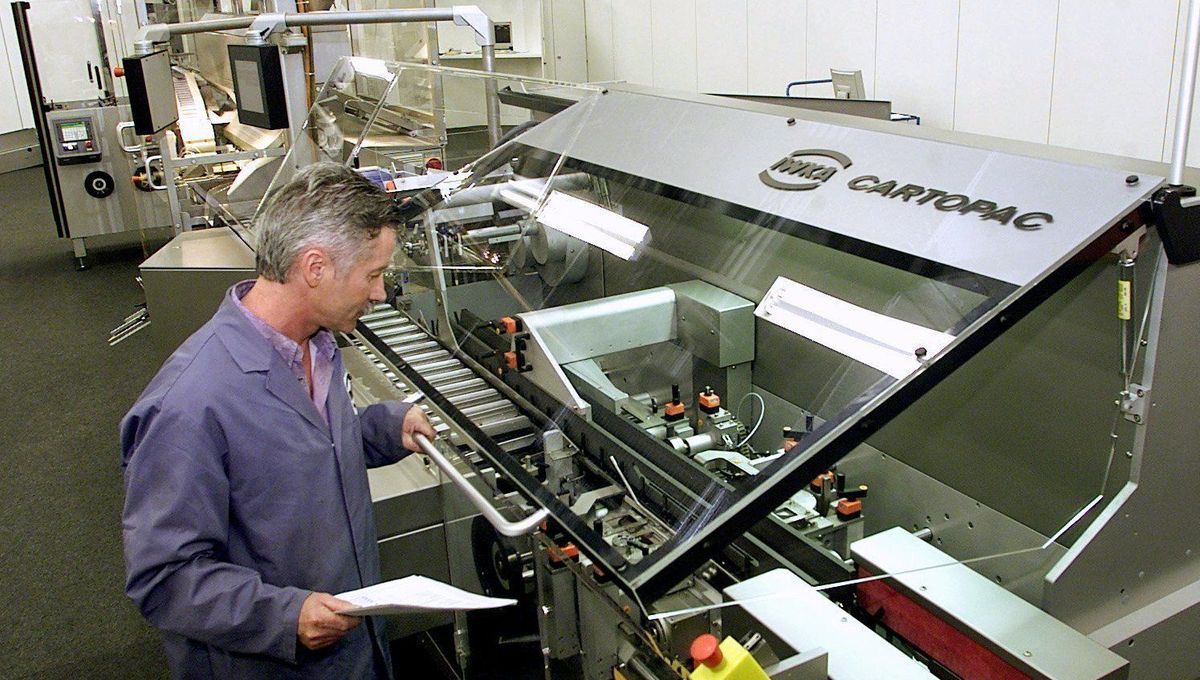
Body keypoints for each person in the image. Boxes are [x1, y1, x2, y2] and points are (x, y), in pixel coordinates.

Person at [120, 162, 436, 679]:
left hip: (354, 649)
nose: (380, 293)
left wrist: (383, 428)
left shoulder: (319, 346)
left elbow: (297, 451)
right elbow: (164, 576)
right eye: (373, 275)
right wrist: (283, 616)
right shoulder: (188, 405)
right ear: (315, 268)